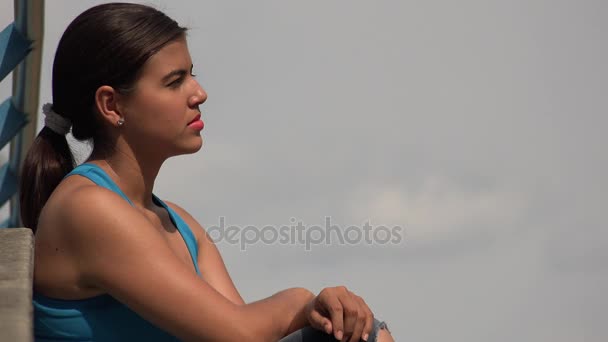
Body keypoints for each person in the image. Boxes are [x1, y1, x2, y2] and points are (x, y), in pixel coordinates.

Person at [20, 3, 393, 341]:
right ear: (111, 104)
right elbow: (240, 334)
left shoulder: (181, 223)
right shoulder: (89, 210)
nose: (198, 94)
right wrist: (302, 300)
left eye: (192, 75)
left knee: (355, 331)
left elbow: (245, 327)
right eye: (174, 81)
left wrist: (328, 310)